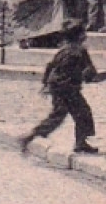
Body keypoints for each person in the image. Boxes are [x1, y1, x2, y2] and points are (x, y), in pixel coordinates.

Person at [21, 18, 98, 155]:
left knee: (58, 115)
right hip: (69, 89)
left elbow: (50, 67)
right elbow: (89, 74)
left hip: (57, 88)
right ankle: (81, 143)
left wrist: (45, 84)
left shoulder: (63, 50)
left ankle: (33, 135)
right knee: (83, 114)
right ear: (81, 36)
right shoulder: (80, 51)